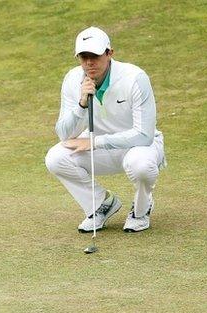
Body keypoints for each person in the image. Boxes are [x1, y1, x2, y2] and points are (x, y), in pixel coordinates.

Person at [45, 26, 166, 233]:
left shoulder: (135, 77)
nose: (89, 62)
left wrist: (95, 142)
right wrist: (82, 104)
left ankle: (141, 209)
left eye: (95, 55)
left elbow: (144, 135)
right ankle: (101, 204)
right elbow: (64, 134)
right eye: (83, 57)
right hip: (100, 149)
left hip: (139, 147)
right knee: (55, 157)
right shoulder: (72, 80)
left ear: (110, 53)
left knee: (141, 165)